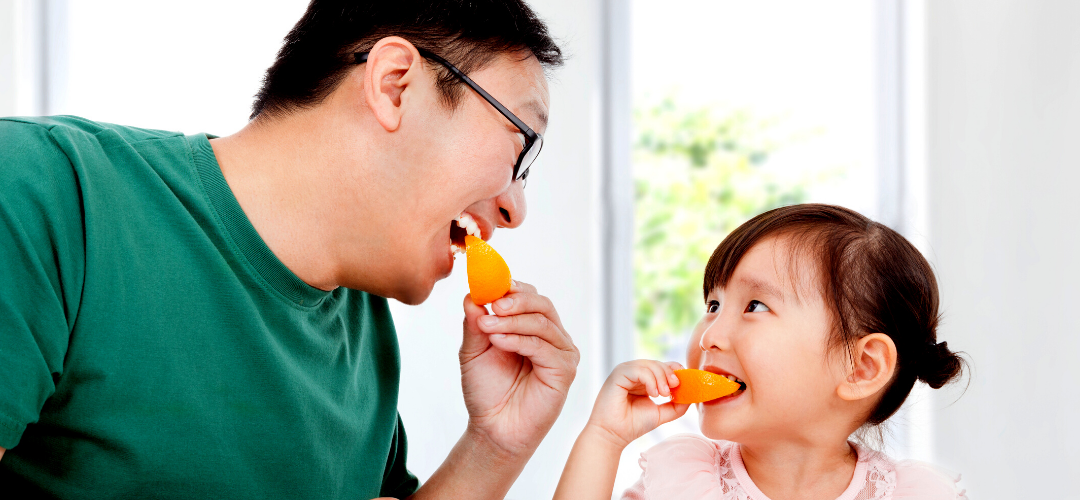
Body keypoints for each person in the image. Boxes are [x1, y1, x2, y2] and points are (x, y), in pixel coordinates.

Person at [0, 1, 580, 498]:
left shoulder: (362, 337)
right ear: (395, 83)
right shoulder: (42, 192)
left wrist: (495, 444)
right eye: (520, 145)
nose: (516, 209)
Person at [555, 204, 968, 500]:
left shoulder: (919, 495)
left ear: (860, 367)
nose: (708, 336)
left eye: (755, 306)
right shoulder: (681, 482)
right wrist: (604, 438)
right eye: (713, 306)